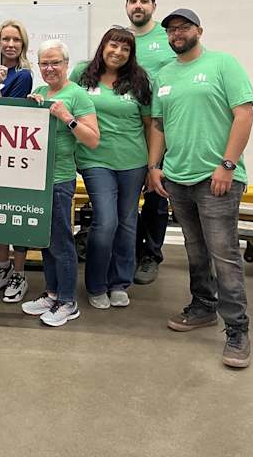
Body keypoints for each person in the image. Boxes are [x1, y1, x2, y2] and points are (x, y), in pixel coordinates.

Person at [147, 9, 253, 369]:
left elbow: (244, 114)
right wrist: (154, 167)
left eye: (183, 27)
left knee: (224, 254)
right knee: (195, 249)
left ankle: (237, 329)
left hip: (217, 178)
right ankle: (203, 306)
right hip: (177, 178)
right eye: (171, 30)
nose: (177, 33)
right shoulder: (164, 75)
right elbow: (159, 125)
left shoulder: (223, 64)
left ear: (199, 31)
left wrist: (227, 165)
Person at [70, 27, 152, 309]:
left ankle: (119, 282)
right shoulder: (82, 74)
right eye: (113, 46)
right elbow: (64, 100)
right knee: (106, 222)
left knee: (127, 223)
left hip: (133, 161)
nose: (118, 52)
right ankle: (96, 284)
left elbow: (150, 125)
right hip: (94, 159)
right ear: (103, 47)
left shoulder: (140, 80)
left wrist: (152, 165)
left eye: (125, 48)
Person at [22, 40, 99, 327]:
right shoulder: (41, 92)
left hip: (60, 179)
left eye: (55, 62)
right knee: (45, 239)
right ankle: (52, 292)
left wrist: (67, 117)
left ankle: (68, 301)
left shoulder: (77, 95)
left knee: (61, 241)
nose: (50, 68)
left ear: (66, 64)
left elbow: (93, 139)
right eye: (44, 63)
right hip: (37, 178)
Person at [0, 20, 34, 302]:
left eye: (16, 40)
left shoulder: (23, 75)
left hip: (14, 154)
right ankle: (2, 266)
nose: (10, 44)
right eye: (5, 39)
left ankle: (19, 273)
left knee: (16, 213)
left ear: (23, 44)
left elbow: (7, 114)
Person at [125, 0, 176, 285]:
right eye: (133, 1)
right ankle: (130, 252)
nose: (138, 6)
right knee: (128, 199)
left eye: (144, 1)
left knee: (156, 196)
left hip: (161, 128)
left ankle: (151, 255)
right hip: (129, 130)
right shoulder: (122, 40)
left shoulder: (166, 38)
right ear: (126, 6)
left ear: (153, 7)